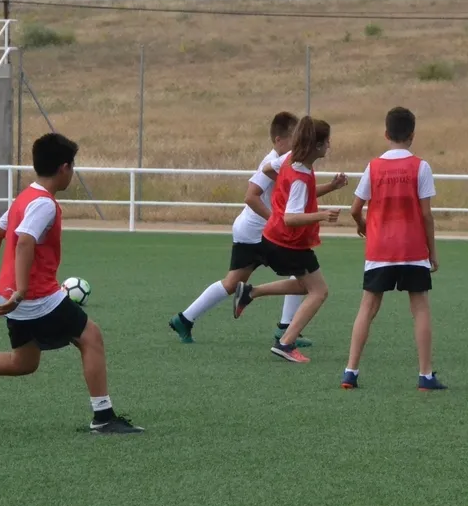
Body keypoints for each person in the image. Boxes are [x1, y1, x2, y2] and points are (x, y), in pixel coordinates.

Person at [0, 133, 143, 434]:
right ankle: (104, 417)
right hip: (34, 297)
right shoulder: (44, 204)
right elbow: (25, 240)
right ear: (64, 168)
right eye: (73, 166)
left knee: (24, 362)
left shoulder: (25, 197)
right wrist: (22, 290)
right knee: (90, 336)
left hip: (14, 296)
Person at [168, 111, 323, 348]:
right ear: (279, 140)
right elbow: (251, 196)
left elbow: (301, 194)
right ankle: (284, 328)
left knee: (234, 283)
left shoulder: (290, 161)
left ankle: (185, 319)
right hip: (256, 233)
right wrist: (277, 221)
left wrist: (332, 186)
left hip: (258, 231)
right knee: (300, 273)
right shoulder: (274, 161)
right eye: (294, 137)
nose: (299, 142)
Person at [341, 107, 446, 391]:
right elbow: (426, 215)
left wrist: (362, 224)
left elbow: (354, 208)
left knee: (367, 307)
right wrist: (432, 251)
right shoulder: (421, 167)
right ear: (412, 135)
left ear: (386, 134)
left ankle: (350, 372)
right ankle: (425, 376)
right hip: (412, 249)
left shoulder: (373, 167)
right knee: (420, 308)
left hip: (379, 250)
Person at [232, 116, 344, 364]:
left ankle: (250, 292)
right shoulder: (300, 176)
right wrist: (322, 215)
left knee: (305, 286)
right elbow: (291, 218)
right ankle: (286, 343)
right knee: (319, 291)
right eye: (327, 141)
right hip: (289, 243)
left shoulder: (290, 159)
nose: (330, 145)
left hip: (274, 238)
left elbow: (267, 169)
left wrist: (330, 186)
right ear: (317, 145)